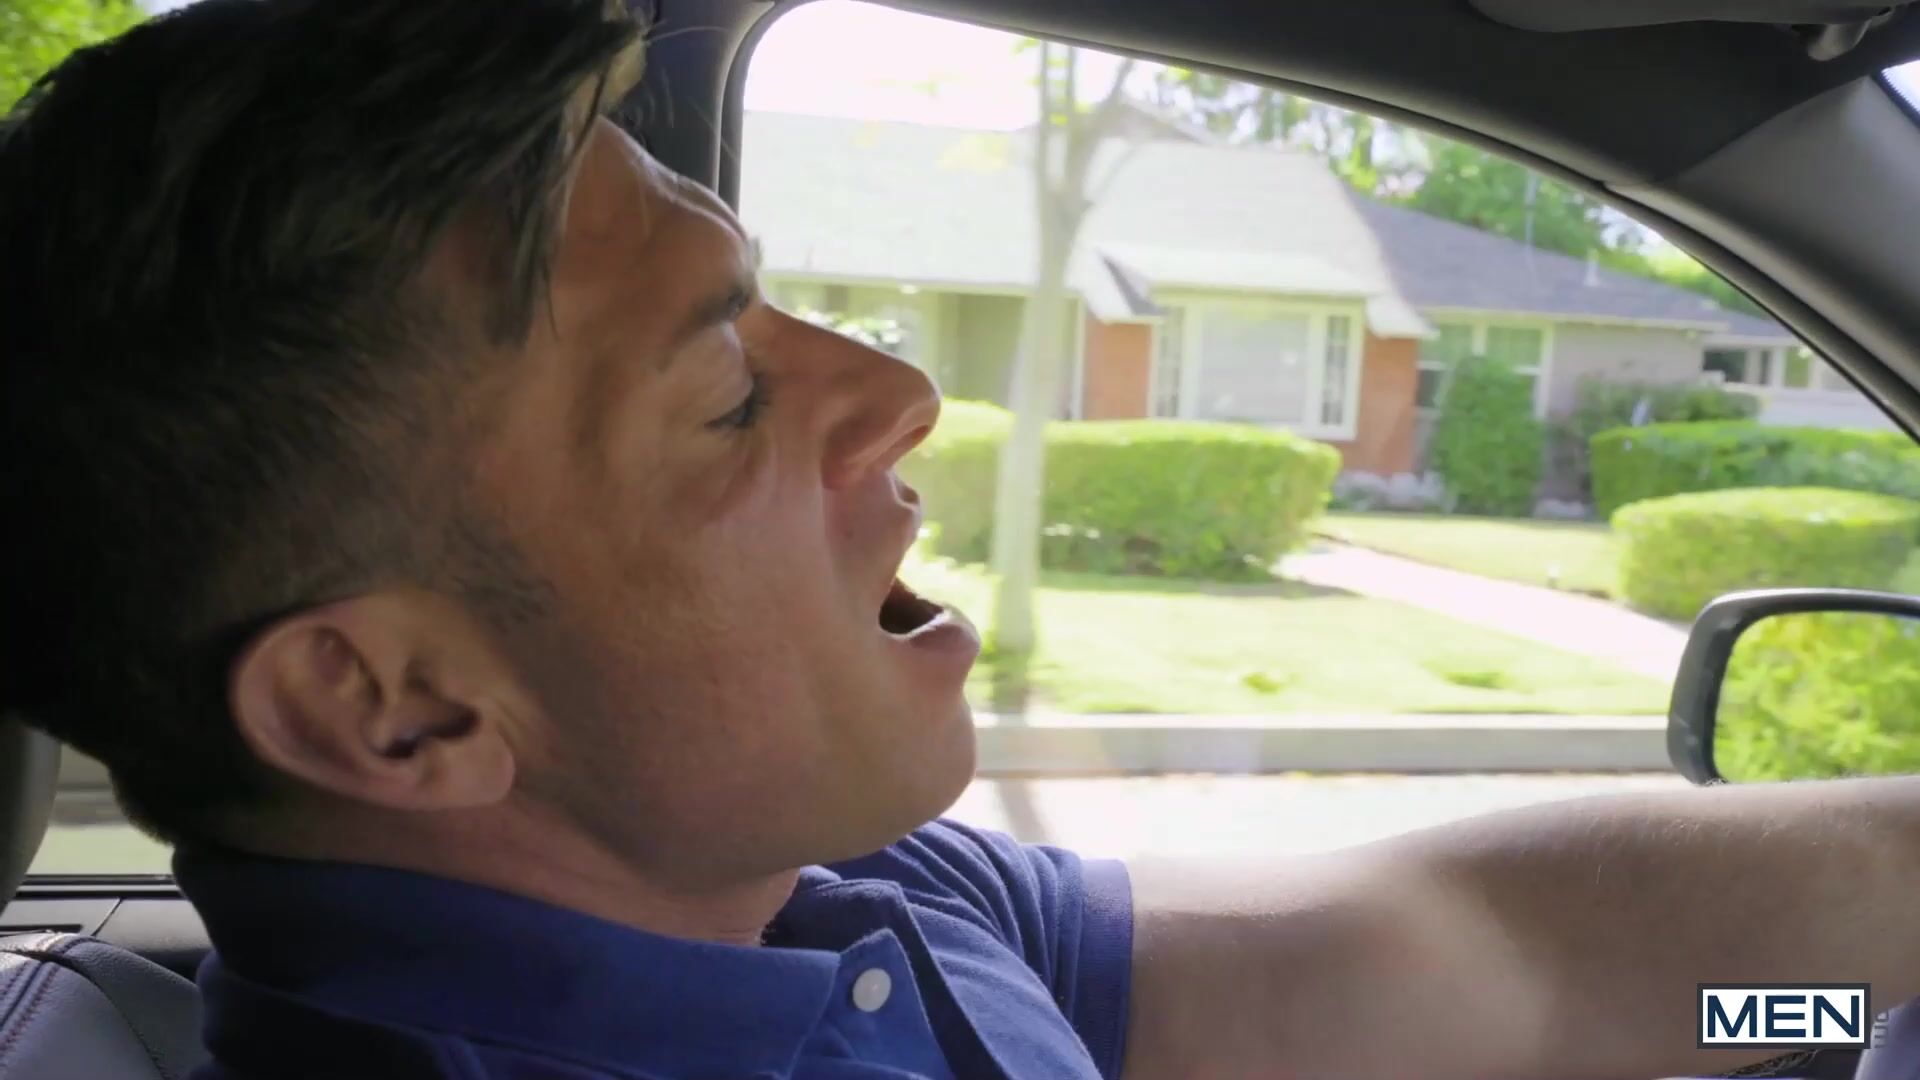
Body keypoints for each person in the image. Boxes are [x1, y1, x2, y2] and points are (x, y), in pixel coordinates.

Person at [3, 2, 1917, 1078]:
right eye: (724, 393)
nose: (900, 393)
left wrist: (1848, 1010)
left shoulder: (810, 902)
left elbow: (1497, 962)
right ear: (400, 707)